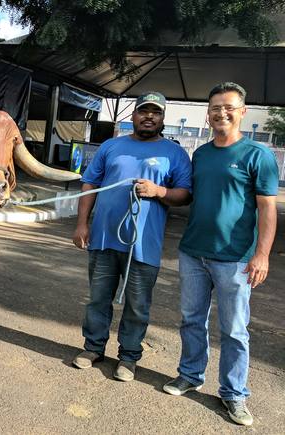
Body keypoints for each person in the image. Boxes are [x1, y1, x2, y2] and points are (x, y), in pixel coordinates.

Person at [162, 82, 279, 426]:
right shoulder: (201, 154)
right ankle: (190, 374)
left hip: (236, 258)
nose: (220, 113)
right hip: (193, 253)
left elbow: (267, 211)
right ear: (208, 113)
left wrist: (262, 255)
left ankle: (234, 394)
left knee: (234, 329)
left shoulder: (258, 155)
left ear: (242, 112)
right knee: (191, 320)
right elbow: (189, 196)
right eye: (214, 108)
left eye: (228, 107)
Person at [71, 91, 192, 382]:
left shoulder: (174, 154)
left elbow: (185, 194)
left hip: (144, 245)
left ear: (163, 119)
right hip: (102, 239)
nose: (149, 116)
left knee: (138, 305)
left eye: (156, 112)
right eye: (143, 111)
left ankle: (128, 357)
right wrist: (81, 224)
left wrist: (159, 191)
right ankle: (93, 348)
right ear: (134, 115)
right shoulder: (111, 146)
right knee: (98, 299)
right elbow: (89, 183)